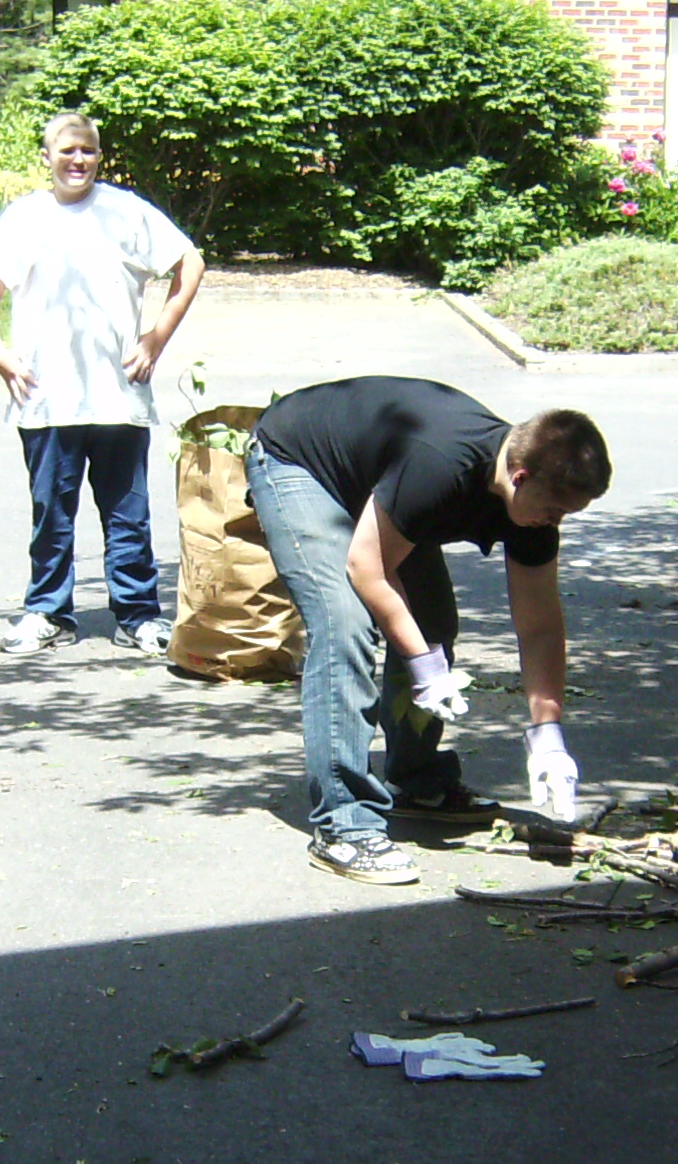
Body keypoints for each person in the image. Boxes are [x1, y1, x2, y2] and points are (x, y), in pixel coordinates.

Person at [247, 377, 610, 884]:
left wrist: (547, 736)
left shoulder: (529, 508)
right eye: (555, 511)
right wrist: (424, 667)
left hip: (379, 484)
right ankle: (344, 825)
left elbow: (541, 627)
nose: (557, 523)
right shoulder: (440, 467)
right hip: (300, 462)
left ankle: (415, 781)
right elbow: (367, 568)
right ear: (521, 476)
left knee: (431, 623)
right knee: (345, 624)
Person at [0, 113, 205, 655]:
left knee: (128, 515)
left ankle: (138, 615)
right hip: (45, 396)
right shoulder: (24, 218)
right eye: (68, 150)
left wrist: (155, 339)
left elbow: (189, 263)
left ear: (100, 156)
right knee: (51, 514)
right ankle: (47, 613)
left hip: (118, 392)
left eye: (89, 151)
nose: (79, 160)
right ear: (47, 156)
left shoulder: (125, 212)